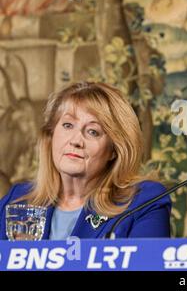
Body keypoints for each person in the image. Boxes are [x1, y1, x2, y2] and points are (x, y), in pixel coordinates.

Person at [0, 81, 171, 240]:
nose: (76, 141)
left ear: (114, 150)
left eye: (92, 132)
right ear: (51, 136)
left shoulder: (143, 203)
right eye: (68, 125)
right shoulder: (18, 199)